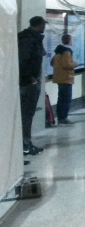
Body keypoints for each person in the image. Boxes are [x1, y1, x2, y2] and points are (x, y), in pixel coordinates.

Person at [18, 16, 46, 155]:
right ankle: (24, 144)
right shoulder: (29, 40)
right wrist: (30, 78)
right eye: (43, 25)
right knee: (26, 115)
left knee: (28, 115)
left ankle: (26, 143)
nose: (44, 27)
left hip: (31, 81)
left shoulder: (33, 38)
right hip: (28, 83)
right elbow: (23, 61)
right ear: (39, 25)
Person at [51, 33, 79, 125]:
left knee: (61, 99)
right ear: (69, 40)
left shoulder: (58, 51)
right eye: (71, 39)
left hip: (59, 77)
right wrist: (75, 63)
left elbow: (52, 63)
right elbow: (66, 65)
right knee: (66, 99)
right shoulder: (66, 52)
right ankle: (63, 118)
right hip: (66, 77)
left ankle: (60, 117)